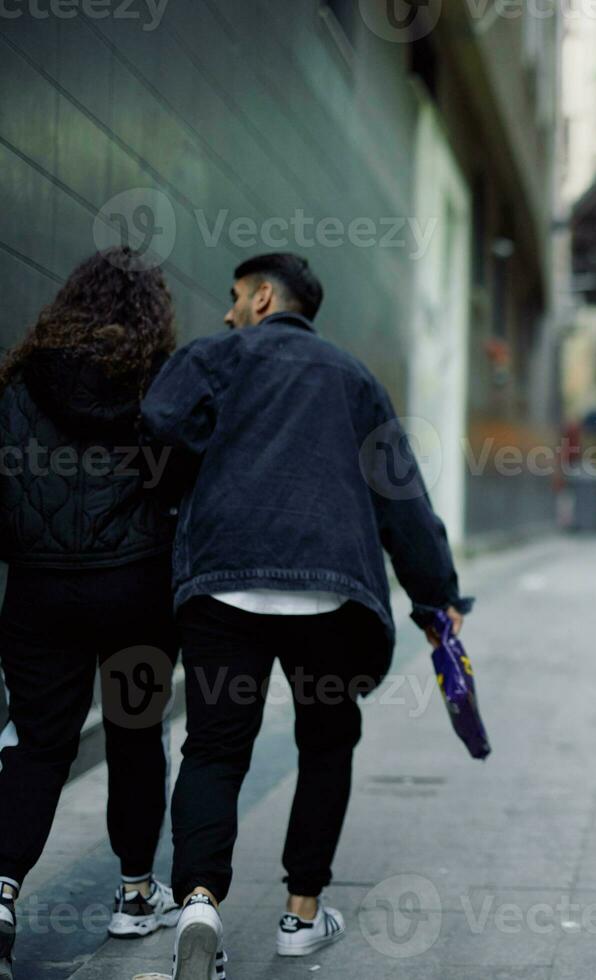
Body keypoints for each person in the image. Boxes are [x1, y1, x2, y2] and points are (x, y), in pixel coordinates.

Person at [139, 253, 473, 980]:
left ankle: (197, 903)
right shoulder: (354, 379)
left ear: (262, 298)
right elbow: (400, 493)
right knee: (327, 742)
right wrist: (434, 594)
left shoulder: (219, 356)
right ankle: (302, 915)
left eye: (234, 298)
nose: (227, 313)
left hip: (224, 587)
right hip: (330, 596)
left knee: (215, 747)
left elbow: (161, 419)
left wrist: (209, 463)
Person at [0, 247, 185, 980]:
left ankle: (1, 893)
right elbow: (176, 482)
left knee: (38, 743)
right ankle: (137, 895)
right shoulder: (159, 387)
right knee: (136, 736)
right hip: (135, 592)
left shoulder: (16, 385)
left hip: (38, 594)